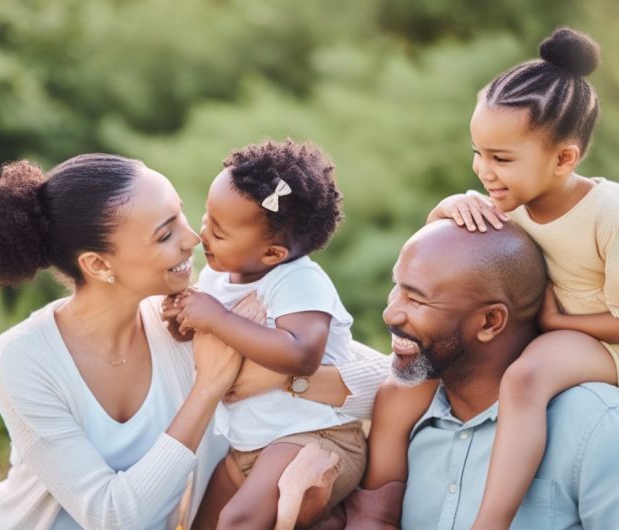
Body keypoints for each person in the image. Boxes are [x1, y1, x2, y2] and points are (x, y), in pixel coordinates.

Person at [0, 153, 384, 529]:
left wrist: (278, 380)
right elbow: (112, 518)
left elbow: (381, 381)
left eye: (181, 214)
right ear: (97, 264)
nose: (193, 239)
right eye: (165, 234)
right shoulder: (23, 358)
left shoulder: (193, 318)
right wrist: (208, 389)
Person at [362, 27, 619, 530]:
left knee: (524, 380)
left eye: (501, 159)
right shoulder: (514, 206)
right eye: (478, 153)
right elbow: (453, 259)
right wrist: (447, 208)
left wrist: (554, 318)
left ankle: (490, 521)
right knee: (399, 391)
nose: (484, 171)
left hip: (604, 341)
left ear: (564, 158)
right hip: (557, 334)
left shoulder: (607, 213)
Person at [332, 220, 619, 529]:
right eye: (396, 287)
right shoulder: (405, 415)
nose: (390, 313)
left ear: (489, 322)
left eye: (416, 299)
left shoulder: (597, 424)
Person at [167, 140, 369, 530]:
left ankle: (318, 503)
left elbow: (302, 354)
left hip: (315, 436)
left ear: (273, 254)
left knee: (239, 520)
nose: (203, 233)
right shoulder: (215, 276)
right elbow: (205, 339)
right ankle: (316, 518)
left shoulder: (299, 280)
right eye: (207, 218)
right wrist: (182, 321)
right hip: (247, 447)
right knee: (201, 523)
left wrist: (217, 318)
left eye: (219, 232)